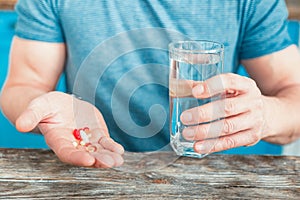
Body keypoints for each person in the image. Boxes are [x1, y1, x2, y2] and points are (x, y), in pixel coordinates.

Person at [1, 0, 300, 168]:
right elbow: (25, 83)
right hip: (95, 172)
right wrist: (42, 107)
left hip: (219, 180)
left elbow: (294, 92)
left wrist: (266, 115)